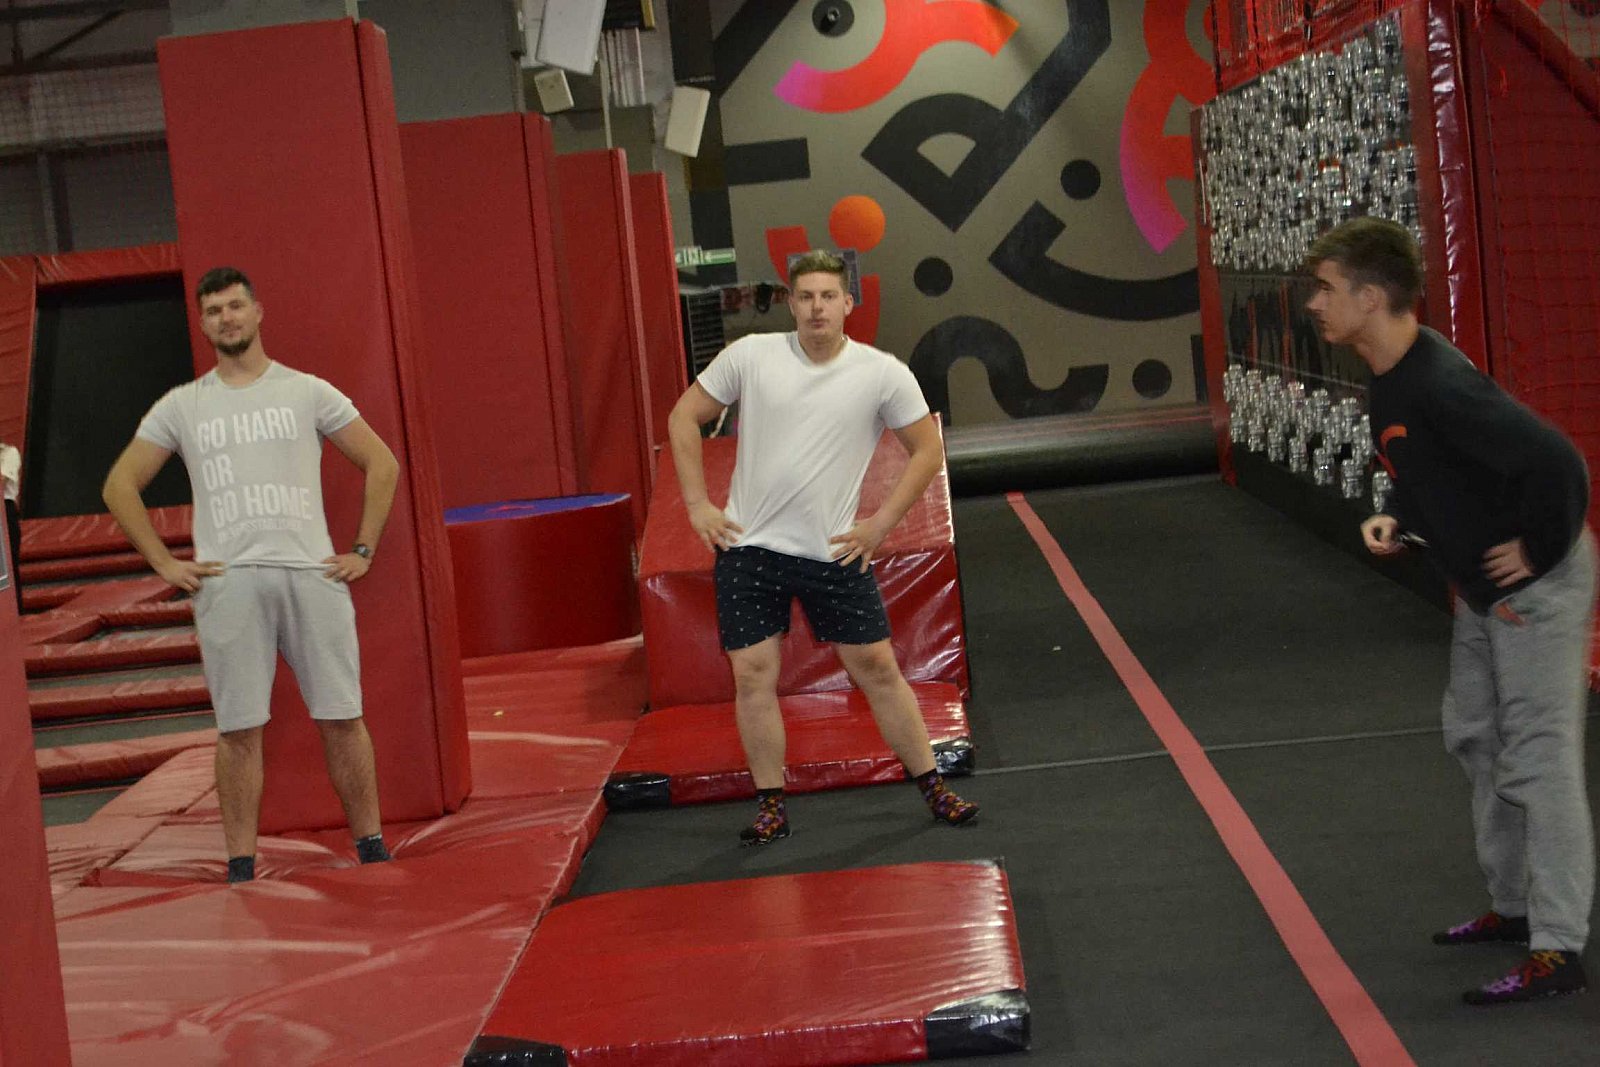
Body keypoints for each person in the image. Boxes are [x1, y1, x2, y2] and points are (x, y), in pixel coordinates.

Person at [1306, 217, 1595, 1004]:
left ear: (1371, 297)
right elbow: (1424, 465)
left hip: (1533, 590)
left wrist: (1537, 548)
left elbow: (1559, 463)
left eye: (1326, 289)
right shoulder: (1392, 374)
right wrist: (1397, 514)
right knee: (1475, 734)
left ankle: (1558, 949)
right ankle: (1514, 905)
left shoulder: (1439, 381)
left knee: (1538, 760)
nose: (1315, 304)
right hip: (1479, 588)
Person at [666, 249, 979, 845]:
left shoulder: (881, 373)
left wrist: (880, 525)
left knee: (878, 669)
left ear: (847, 305)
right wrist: (698, 505)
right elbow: (685, 417)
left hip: (833, 552)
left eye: (828, 297)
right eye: (806, 297)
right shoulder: (751, 356)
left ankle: (934, 788)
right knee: (753, 676)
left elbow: (927, 450)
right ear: (791, 303)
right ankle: (771, 806)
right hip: (749, 550)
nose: (817, 308)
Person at [103, 267, 401, 883]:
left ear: (258, 311)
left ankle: (371, 844)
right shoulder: (182, 405)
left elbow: (382, 463)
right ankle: (240, 862)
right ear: (203, 322)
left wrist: (363, 549)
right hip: (229, 580)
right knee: (238, 728)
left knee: (343, 715)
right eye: (214, 311)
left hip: (310, 573)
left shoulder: (307, 391)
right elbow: (120, 485)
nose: (227, 318)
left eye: (235, 306)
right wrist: (163, 562)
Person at [1, 439, 20, 611]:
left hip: (4, 510)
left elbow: (2, 481)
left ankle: (15, 611)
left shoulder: (9, 453)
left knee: (9, 566)